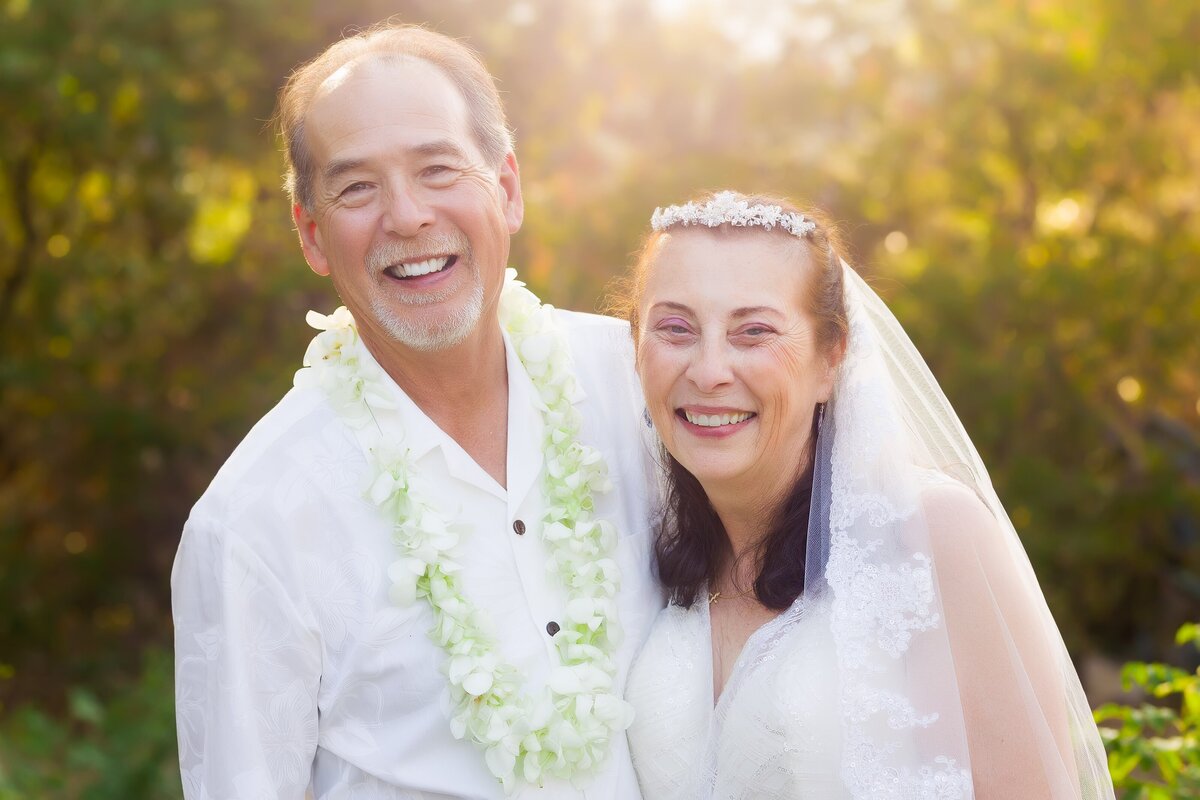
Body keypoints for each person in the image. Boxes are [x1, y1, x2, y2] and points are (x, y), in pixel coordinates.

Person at [171, 23, 661, 799]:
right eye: (356, 187)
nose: (406, 216)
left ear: (506, 188)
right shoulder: (255, 522)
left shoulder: (642, 385)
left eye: (438, 169)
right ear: (312, 235)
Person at [618, 190, 1116, 799]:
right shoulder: (637, 541)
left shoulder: (933, 535)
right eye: (675, 328)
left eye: (753, 332)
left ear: (831, 359)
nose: (709, 370)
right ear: (635, 346)